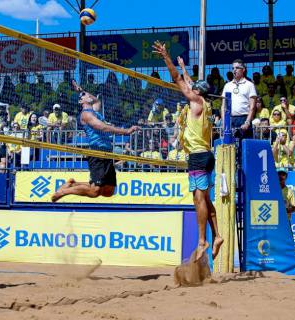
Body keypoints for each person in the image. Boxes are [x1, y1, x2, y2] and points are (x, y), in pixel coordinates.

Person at [153, 40, 223, 261]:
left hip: (199, 156)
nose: (188, 87)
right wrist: (184, 67)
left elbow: (176, 80)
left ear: (196, 92)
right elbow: (188, 81)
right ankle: (218, 235)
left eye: (192, 87)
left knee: (199, 199)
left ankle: (203, 240)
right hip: (202, 155)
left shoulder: (196, 101)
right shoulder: (202, 101)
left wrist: (167, 57)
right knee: (202, 199)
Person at [51, 81, 139, 202]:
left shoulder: (95, 111)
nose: (88, 95)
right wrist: (126, 131)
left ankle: (73, 184)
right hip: (97, 152)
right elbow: (103, 127)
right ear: (81, 101)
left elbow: (96, 100)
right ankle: (65, 191)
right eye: (84, 96)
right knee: (95, 191)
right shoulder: (85, 114)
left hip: (107, 151)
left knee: (109, 191)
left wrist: (81, 90)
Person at [222, 59, 257, 139]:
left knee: (245, 146)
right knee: (230, 146)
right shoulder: (227, 85)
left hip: (244, 118)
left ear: (243, 70)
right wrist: (224, 122)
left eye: (237, 68)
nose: (234, 70)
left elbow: (252, 107)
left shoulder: (249, 85)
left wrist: (247, 122)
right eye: (233, 68)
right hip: (230, 118)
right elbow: (223, 106)